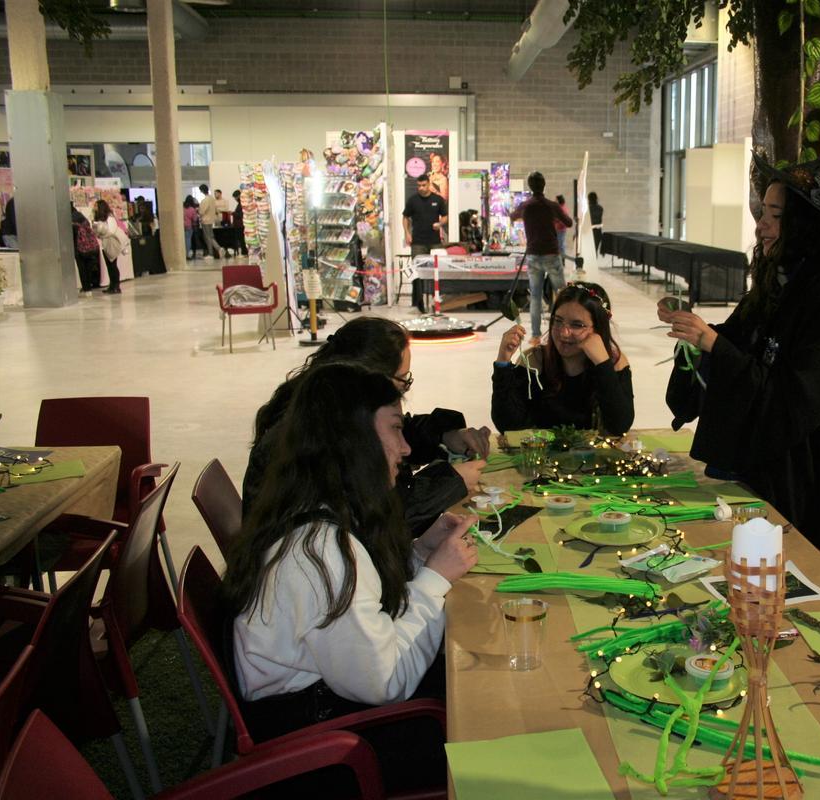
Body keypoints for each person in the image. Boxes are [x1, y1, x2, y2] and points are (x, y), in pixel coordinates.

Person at [224, 363, 477, 794]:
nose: (405, 448)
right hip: (323, 751)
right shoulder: (319, 551)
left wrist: (419, 553)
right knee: (488, 717)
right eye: (395, 430)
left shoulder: (317, 508)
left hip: (328, 709)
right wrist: (435, 578)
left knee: (474, 664)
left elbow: (370, 609)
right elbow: (386, 683)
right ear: (353, 441)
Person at [661, 148, 820, 557]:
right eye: (764, 213)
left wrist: (714, 344)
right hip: (765, 467)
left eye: (776, 216)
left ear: (806, 224)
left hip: (802, 476)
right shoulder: (779, 280)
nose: (761, 226)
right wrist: (697, 333)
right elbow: (741, 339)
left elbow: (796, 401)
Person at [244, 316, 491, 536]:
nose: (404, 448)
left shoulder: (327, 407)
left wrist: (445, 434)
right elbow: (381, 518)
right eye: (403, 380)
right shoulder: (316, 438)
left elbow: (394, 434)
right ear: (370, 378)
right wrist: (451, 481)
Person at [491, 281, 633, 435]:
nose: (564, 333)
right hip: (542, 455)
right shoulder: (534, 360)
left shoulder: (614, 362)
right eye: (558, 321)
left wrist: (603, 364)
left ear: (598, 328)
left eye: (577, 325)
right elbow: (508, 426)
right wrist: (503, 361)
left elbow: (619, 427)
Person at [511, 172, 572, 340]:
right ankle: (564, 332)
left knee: (536, 297)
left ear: (530, 186)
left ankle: (536, 336)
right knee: (562, 294)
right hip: (551, 253)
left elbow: (512, 216)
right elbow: (569, 222)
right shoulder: (552, 205)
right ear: (544, 185)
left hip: (533, 255)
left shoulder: (525, 206)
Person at [402, 173, 447, 256]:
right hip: (418, 242)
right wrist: (407, 233)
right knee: (418, 267)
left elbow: (445, 216)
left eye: (423, 185)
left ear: (429, 184)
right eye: (419, 186)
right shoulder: (413, 200)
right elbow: (405, 217)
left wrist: (440, 223)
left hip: (435, 241)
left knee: (437, 266)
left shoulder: (438, 199)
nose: (421, 188)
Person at [92, 199, 128, 295]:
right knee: (109, 266)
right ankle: (112, 285)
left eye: (96, 206)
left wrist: (101, 234)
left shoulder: (109, 217)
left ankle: (116, 286)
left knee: (113, 265)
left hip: (111, 243)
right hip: (105, 244)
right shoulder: (100, 218)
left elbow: (111, 231)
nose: (94, 208)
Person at [71, 205, 101, 293]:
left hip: (79, 248)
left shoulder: (71, 221)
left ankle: (86, 287)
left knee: (82, 268)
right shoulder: (82, 217)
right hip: (90, 247)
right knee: (88, 267)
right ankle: (89, 286)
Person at [198, 183, 219, 261]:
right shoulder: (212, 199)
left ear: (202, 190)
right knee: (210, 236)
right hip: (211, 219)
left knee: (207, 237)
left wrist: (199, 212)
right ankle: (218, 248)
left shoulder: (205, 200)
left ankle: (211, 253)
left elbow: (202, 211)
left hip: (205, 220)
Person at [588, 191, 604, 257]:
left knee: (590, 251)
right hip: (598, 232)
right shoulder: (600, 208)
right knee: (595, 250)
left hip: (590, 231)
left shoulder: (588, 209)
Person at [232, 189, 246, 256]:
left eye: (235, 197)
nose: (235, 199)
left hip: (241, 224)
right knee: (241, 239)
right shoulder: (239, 204)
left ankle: (244, 252)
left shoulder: (242, 204)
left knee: (242, 239)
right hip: (239, 224)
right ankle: (244, 252)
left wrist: (233, 213)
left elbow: (240, 214)